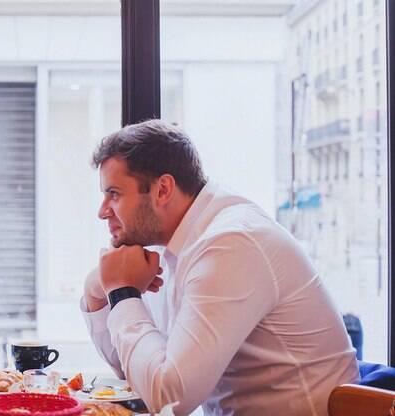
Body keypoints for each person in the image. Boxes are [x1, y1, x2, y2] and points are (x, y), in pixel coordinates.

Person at [81, 120, 358, 415]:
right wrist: (97, 289)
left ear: (162, 190)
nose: (102, 211)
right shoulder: (177, 245)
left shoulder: (231, 244)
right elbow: (136, 372)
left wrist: (123, 293)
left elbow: (168, 398)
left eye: (114, 194)